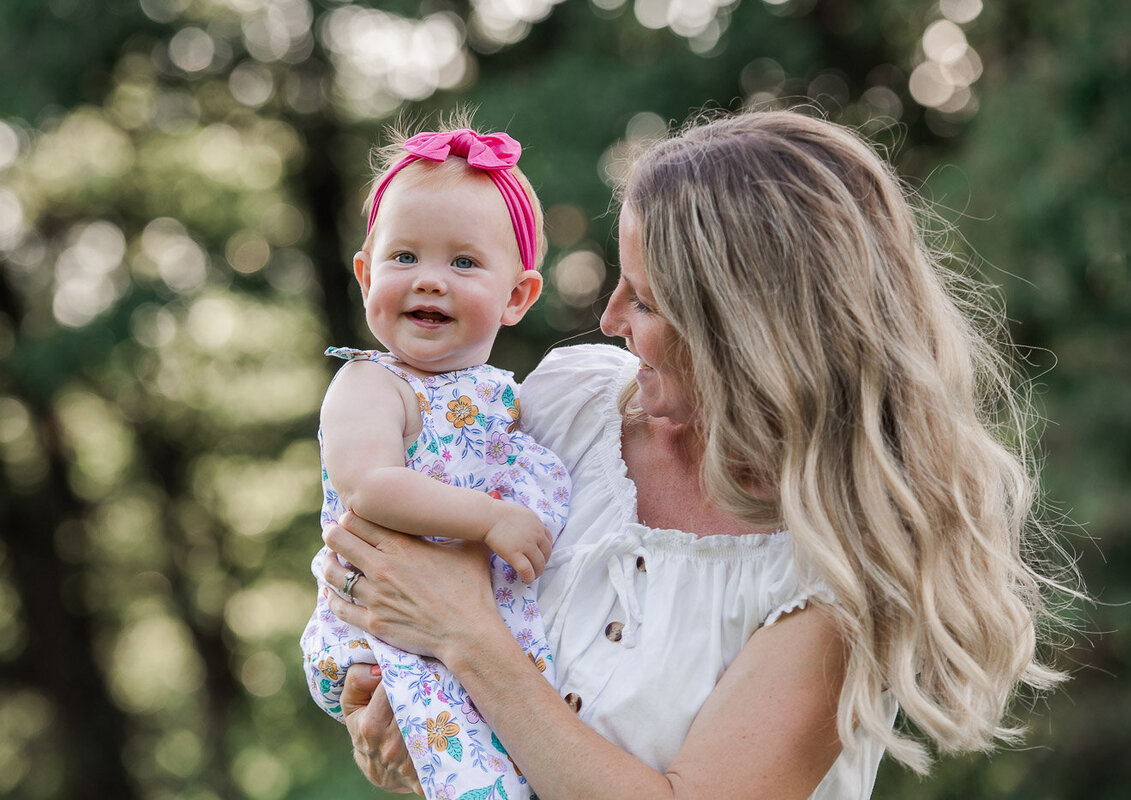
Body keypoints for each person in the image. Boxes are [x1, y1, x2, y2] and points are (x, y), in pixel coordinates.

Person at [318, 109, 1074, 799]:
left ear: (748, 335)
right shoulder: (570, 408)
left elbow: (463, 621)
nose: (609, 318)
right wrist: (398, 713)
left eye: (645, 301)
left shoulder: (836, 577)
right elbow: (393, 563)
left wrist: (466, 638)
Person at [299, 121, 570, 800]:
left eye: (464, 263)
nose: (429, 281)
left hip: (469, 626)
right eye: (404, 257)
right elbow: (370, 486)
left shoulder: (504, 396)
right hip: (391, 628)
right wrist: (489, 518)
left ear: (517, 296)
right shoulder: (371, 384)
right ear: (365, 275)